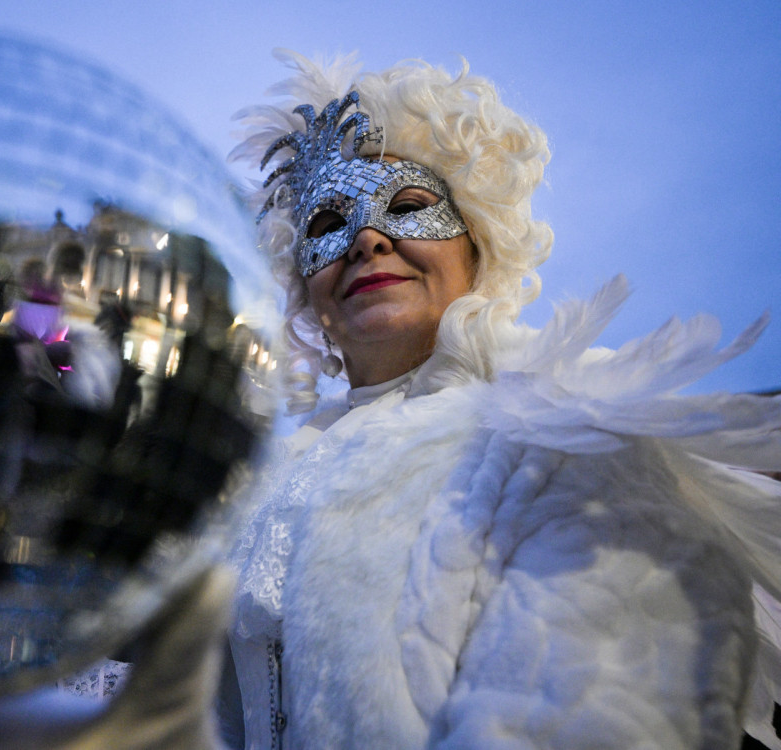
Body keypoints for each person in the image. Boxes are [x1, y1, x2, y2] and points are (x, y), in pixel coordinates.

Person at [221, 51, 781, 749]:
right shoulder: (256, 495)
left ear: (477, 249)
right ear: (307, 288)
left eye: (408, 206)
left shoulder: (562, 432)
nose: (367, 237)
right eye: (327, 224)